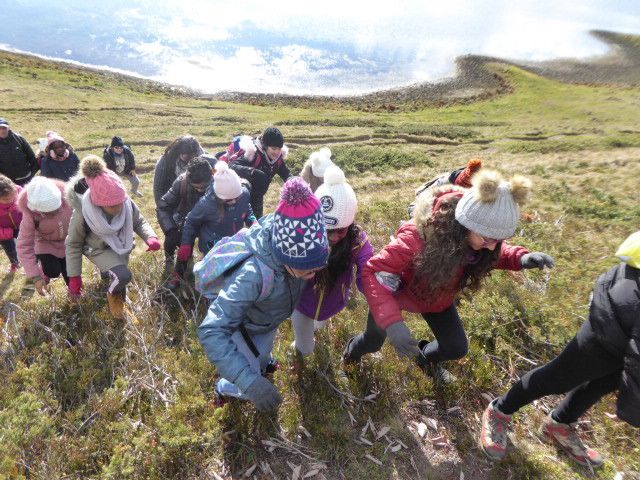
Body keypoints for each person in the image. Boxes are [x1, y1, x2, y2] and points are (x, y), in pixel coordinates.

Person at [343, 170, 555, 383]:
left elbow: (496, 250)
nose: (492, 247)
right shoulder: (419, 236)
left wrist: (521, 258)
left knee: (456, 347)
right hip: (397, 294)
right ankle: (351, 356)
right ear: (467, 223)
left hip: (436, 298)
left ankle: (425, 360)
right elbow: (373, 272)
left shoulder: (482, 240)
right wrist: (392, 323)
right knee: (373, 342)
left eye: (498, 241)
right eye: (487, 238)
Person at [480, 231, 639, 468]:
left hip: (628, 314)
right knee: (559, 377)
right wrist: (632, 411)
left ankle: (559, 424)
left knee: (604, 382)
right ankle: (500, 410)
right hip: (616, 317)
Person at [197, 177, 329, 411]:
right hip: (241, 326)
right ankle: (225, 388)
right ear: (285, 257)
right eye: (307, 266)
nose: (313, 272)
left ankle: (264, 362)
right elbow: (212, 329)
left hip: (268, 319)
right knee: (246, 377)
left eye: (318, 264)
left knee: (263, 352)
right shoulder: (254, 274)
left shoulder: (294, 241)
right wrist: (250, 383)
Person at [292, 165, 373, 356]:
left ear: (350, 223)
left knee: (319, 326)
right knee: (305, 349)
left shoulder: (357, 240)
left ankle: (314, 331)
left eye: (341, 230)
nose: (334, 237)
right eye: (326, 230)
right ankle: (298, 348)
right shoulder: (302, 232)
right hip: (301, 303)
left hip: (332, 303)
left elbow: (368, 270)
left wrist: (375, 291)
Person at [66, 156, 160, 319]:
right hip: (98, 248)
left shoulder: (125, 201)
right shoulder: (83, 212)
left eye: (120, 203)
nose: (118, 208)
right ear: (98, 202)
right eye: (112, 205)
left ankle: (120, 304)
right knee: (123, 275)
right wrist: (74, 277)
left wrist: (150, 236)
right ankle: (114, 301)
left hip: (123, 244)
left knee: (118, 277)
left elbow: (138, 221)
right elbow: (73, 244)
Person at [16, 177, 73, 294]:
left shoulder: (69, 198)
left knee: (70, 271)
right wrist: (35, 276)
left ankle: (74, 292)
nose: (55, 213)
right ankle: (45, 271)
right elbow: (24, 246)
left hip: (68, 241)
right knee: (53, 271)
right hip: (45, 244)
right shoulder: (30, 215)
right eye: (49, 213)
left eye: (57, 209)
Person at [156, 156, 213, 270]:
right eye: (197, 187)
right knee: (172, 239)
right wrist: (170, 229)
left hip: (208, 221)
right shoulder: (181, 182)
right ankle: (169, 259)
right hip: (184, 218)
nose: (200, 190)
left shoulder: (219, 183)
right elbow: (163, 207)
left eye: (204, 187)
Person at [222, 126, 292, 218]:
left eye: (279, 148)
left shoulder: (278, 159)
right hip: (240, 196)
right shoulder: (252, 153)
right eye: (274, 148)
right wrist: (253, 172)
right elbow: (232, 166)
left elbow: (285, 173)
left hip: (258, 196)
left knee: (257, 224)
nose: (277, 152)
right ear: (265, 146)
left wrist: (294, 181)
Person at [153, 135, 206, 204]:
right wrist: (161, 208)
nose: (188, 163)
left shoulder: (205, 160)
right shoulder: (166, 161)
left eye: (192, 159)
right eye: (185, 160)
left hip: (197, 201)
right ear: (179, 153)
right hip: (172, 199)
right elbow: (158, 188)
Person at [0, 118, 39, 186]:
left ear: (8, 128)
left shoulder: (18, 139)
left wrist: (30, 175)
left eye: (4, 128)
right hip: (9, 183)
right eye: (0, 128)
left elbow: (32, 158)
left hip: (26, 179)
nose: (2, 130)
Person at [0, 175, 23, 272]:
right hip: (4, 233)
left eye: (13, 197)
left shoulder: (20, 191)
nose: (10, 201)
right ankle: (15, 263)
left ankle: (35, 262)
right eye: (5, 200)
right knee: (10, 249)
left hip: (23, 225)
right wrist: (12, 233)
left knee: (31, 245)